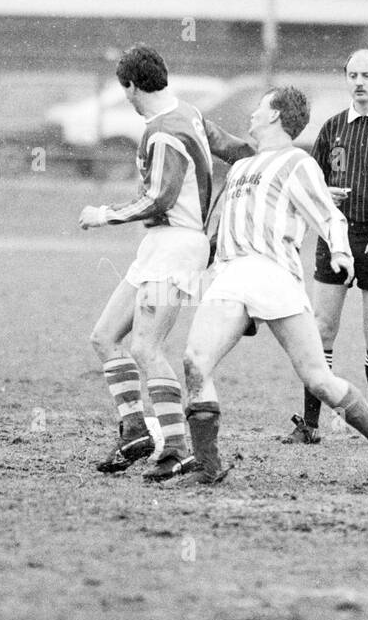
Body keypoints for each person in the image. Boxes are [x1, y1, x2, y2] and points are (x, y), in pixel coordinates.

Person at [180, 85, 368, 487]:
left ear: (276, 116)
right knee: (195, 361)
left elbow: (330, 217)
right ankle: (207, 464)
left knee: (319, 380)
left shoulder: (298, 163)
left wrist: (342, 253)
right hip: (231, 275)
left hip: (274, 274)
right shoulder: (243, 167)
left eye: (259, 108)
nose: (252, 115)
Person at [79, 44, 252, 481]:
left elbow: (160, 198)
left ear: (133, 86)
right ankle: (136, 431)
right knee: (104, 337)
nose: (127, 99)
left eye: (126, 91)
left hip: (175, 248)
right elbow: (236, 150)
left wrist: (104, 214)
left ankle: (175, 448)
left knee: (146, 347)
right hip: (159, 247)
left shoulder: (161, 132)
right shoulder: (189, 113)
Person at [284, 49, 368, 444]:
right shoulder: (332, 129)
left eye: (366, 75)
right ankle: (309, 424)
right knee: (321, 330)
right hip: (336, 236)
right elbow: (311, 183)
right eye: (352, 75)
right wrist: (326, 194)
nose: (358, 82)